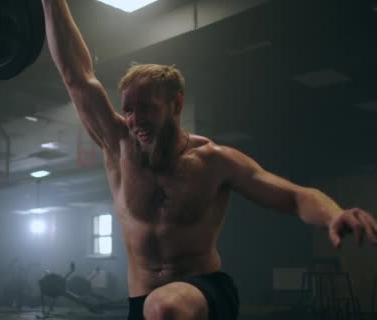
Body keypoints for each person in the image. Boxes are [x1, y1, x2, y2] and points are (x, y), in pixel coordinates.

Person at [40, 1, 377, 319]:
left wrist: (334, 213)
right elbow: (77, 75)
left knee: (163, 308)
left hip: (203, 293)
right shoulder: (118, 145)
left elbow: (293, 195)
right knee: (156, 308)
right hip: (142, 303)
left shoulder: (214, 162)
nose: (135, 119)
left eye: (147, 108)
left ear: (176, 104)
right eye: (128, 109)